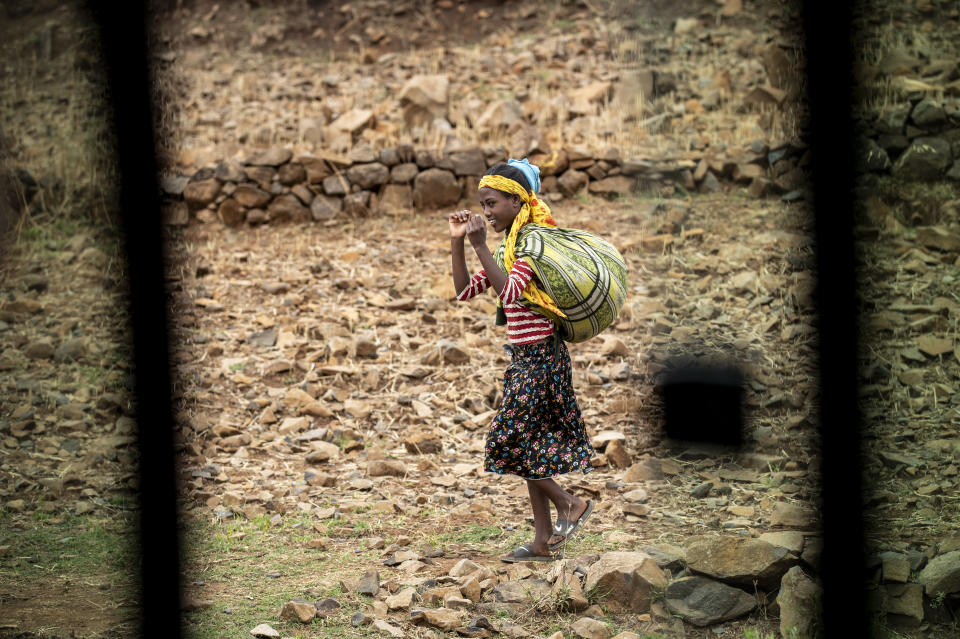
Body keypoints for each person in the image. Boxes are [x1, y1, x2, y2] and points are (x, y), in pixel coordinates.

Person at [448, 158, 595, 562]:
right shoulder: (509, 247)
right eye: (482, 205)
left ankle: (571, 504)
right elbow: (464, 291)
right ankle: (542, 541)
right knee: (531, 448)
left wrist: (480, 246)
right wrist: (459, 241)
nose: (486, 213)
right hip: (525, 360)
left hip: (542, 361)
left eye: (492, 203)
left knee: (510, 440)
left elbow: (510, 293)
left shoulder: (533, 243)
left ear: (517, 201)